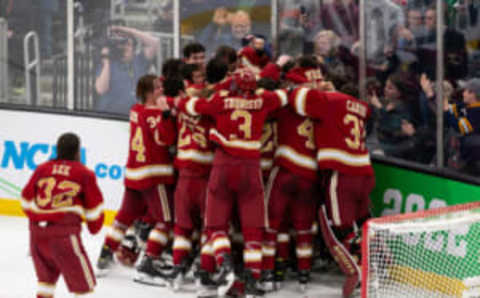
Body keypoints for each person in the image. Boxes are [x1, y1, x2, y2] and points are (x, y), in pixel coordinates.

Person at [174, 62, 288, 297]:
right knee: (253, 229)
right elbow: (284, 95)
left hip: (223, 165)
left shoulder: (220, 100)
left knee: (215, 224)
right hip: (251, 168)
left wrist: (175, 100)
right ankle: (254, 278)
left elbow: (190, 105)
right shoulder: (264, 100)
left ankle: (221, 263)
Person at [288, 87, 375, 298]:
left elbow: (296, 99)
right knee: (364, 220)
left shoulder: (329, 100)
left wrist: (305, 86)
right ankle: (377, 265)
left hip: (341, 172)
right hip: (365, 172)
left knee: (339, 228)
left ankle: (357, 272)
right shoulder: (362, 108)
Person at [96, 74, 176, 286]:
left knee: (124, 217)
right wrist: (167, 113)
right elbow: (167, 138)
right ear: (150, 92)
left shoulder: (135, 110)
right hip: (153, 175)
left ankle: (104, 256)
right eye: (158, 88)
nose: (162, 91)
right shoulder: (155, 114)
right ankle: (149, 264)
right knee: (166, 220)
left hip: (134, 173)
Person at [21, 132, 105, 298]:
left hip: (37, 236)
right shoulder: (84, 173)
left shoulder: (42, 168)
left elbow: (25, 200)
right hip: (64, 237)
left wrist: (38, 219)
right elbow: (94, 209)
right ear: (77, 152)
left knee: (46, 282)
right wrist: (94, 227)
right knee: (83, 287)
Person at [94, 26, 159, 115]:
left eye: (128, 44)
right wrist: (106, 61)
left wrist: (125, 30)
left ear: (134, 47)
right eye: (121, 44)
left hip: (133, 116)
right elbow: (101, 89)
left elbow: (154, 42)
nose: (124, 47)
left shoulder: (140, 60)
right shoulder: (109, 64)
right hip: (109, 115)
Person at [445, 78, 480, 174]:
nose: (463, 93)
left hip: (470, 159)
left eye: (465, 91)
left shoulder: (477, 112)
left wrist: (447, 111)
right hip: (463, 154)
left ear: (473, 94)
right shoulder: (466, 105)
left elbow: (460, 128)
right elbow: (451, 107)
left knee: (455, 133)